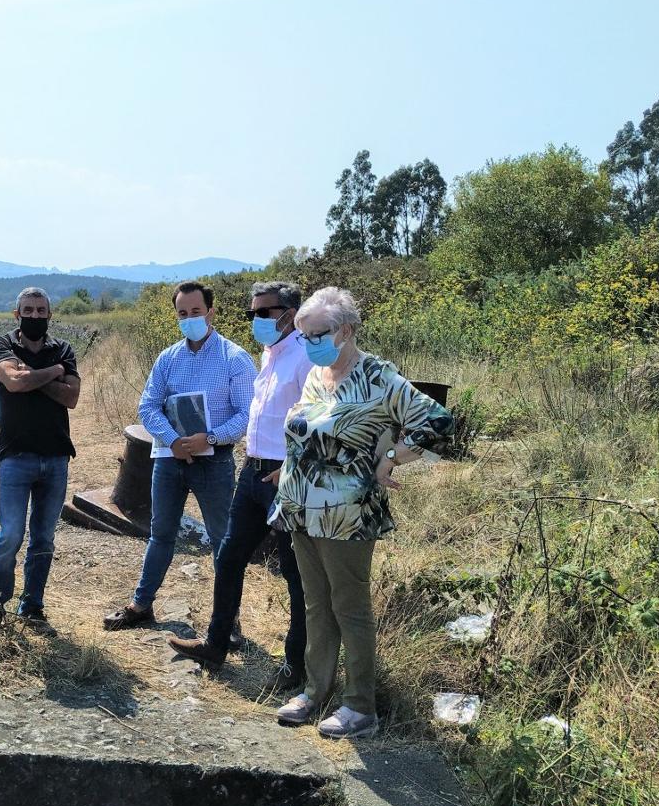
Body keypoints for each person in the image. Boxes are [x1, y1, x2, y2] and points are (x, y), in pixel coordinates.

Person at [268, 286, 453, 738]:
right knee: (316, 605)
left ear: (346, 331)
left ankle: (360, 706)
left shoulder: (378, 377)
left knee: (349, 607)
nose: (309, 343)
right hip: (302, 509)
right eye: (303, 335)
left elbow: (438, 420)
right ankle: (316, 692)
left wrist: (393, 455)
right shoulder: (318, 376)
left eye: (317, 334)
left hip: (347, 513)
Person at [166, 281, 313, 691]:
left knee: (293, 572)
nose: (257, 321)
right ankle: (216, 642)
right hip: (253, 470)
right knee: (229, 556)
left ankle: (295, 665)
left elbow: (318, 419)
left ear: (290, 313)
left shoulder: (304, 357)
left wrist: (294, 466)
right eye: (252, 313)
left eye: (265, 312)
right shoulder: (270, 355)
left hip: (285, 476)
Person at [103, 281, 257, 630]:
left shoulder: (235, 359)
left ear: (211, 312)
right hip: (169, 460)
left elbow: (247, 413)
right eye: (182, 314)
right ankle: (141, 605)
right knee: (161, 534)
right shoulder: (168, 358)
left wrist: (212, 437)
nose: (189, 319)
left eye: (196, 312)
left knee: (223, 541)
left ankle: (227, 621)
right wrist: (172, 440)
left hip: (214, 461)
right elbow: (148, 405)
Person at [0, 287, 81, 631]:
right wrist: (53, 373)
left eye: (41, 310)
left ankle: (32, 605)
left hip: (56, 457)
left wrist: (33, 377)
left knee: (44, 538)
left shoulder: (63, 349)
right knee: (10, 535)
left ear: (50, 315)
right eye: (29, 310)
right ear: (17, 314)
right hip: (15, 456)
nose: (35, 316)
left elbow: (71, 398)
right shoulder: (1, 345)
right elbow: (12, 382)